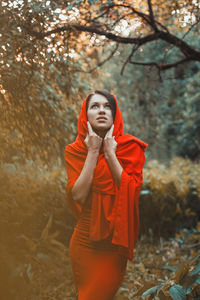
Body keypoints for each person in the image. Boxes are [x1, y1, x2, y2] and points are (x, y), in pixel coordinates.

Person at [65, 90, 148, 300]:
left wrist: (110, 153)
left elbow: (131, 189)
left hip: (114, 244)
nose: (101, 110)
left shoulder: (130, 147)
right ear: (86, 115)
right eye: (94, 106)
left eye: (107, 106)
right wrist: (93, 151)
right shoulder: (75, 150)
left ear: (115, 114)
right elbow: (78, 196)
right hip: (83, 243)